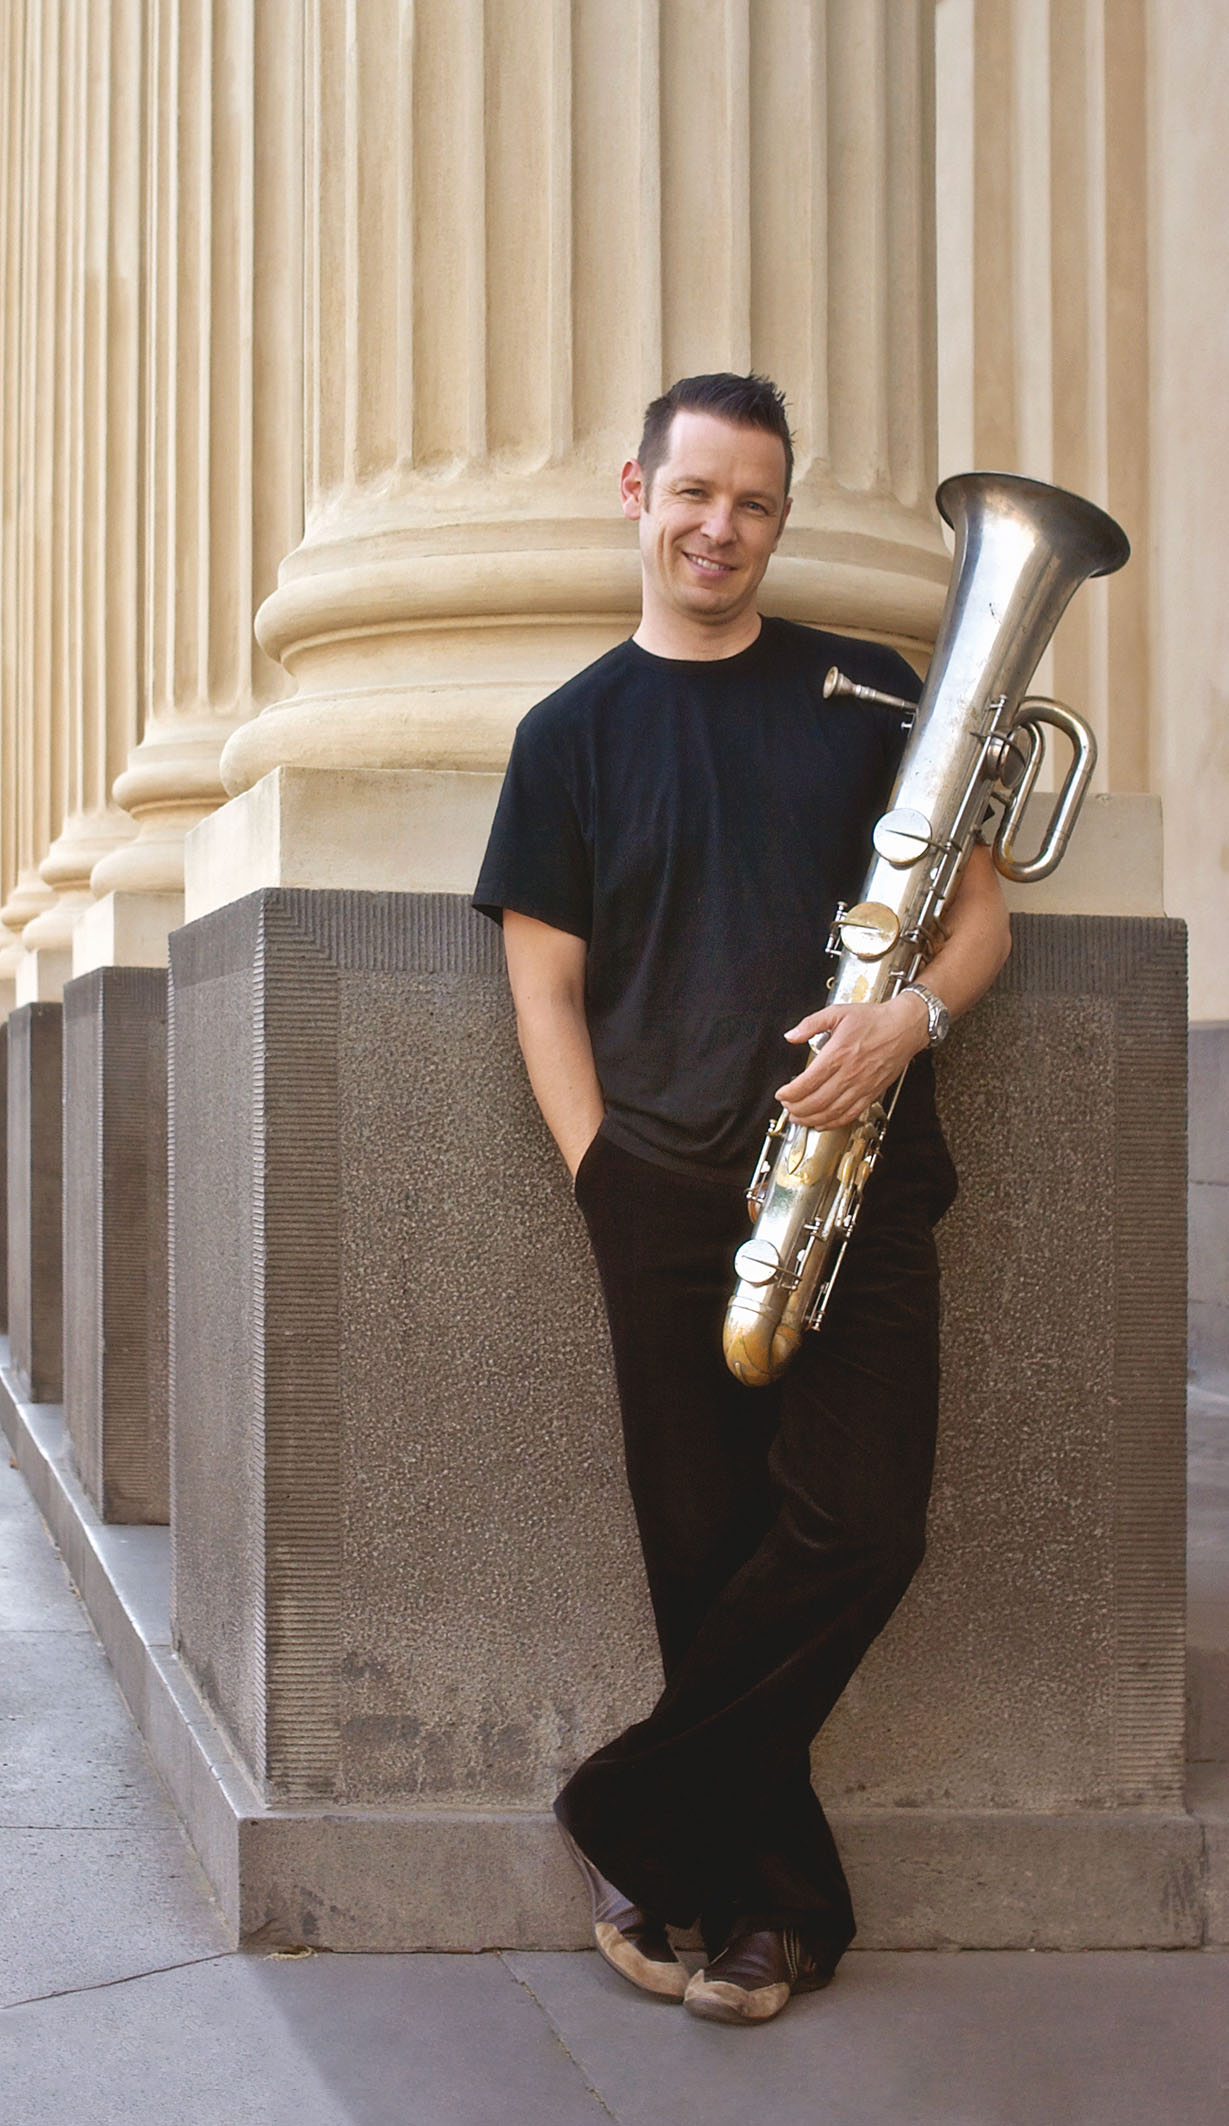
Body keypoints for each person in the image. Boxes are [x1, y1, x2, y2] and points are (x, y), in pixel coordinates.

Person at [473, 373, 1011, 2025]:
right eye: (694, 492)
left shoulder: (869, 693)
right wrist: (601, 1177)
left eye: (754, 502)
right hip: (659, 1193)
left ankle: (631, 1815)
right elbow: (543, 988)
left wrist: (906, 1022)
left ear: (779, 518)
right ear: (637, 492)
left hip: (866, 1179)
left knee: (864, 1524)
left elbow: (979, 920)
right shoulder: (567, 734)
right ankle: (771, 1910)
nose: (721, 527)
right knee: (703, 1560)